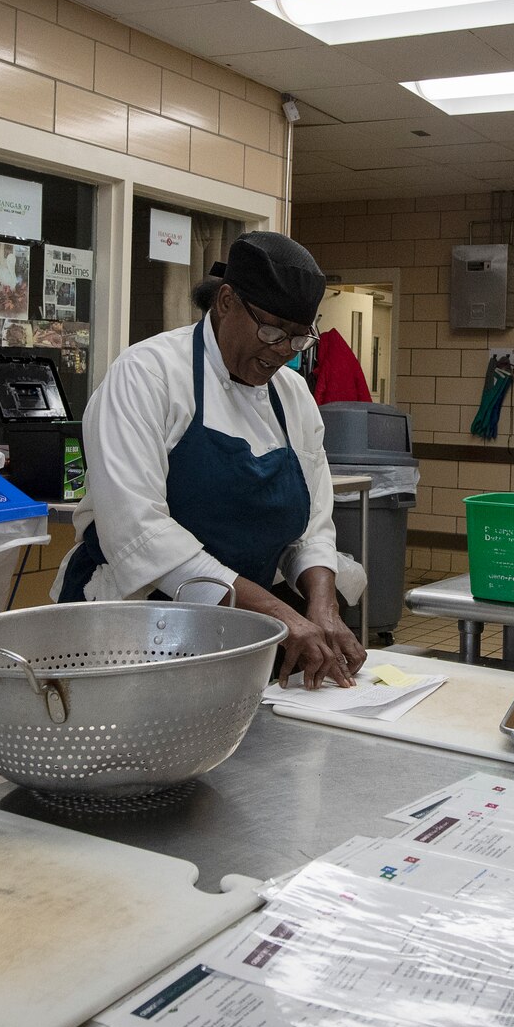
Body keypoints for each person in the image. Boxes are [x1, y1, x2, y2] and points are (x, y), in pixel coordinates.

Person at [56, 231, 366, 688]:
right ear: (225, 302)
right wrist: (279, 615)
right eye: (272, 331)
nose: (283, 351)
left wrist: (323, 606)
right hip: (135, 627)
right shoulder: (148, 375)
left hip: (243, 631)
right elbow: (141, 535)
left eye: (299, 339)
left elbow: (312, 526)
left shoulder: (293, 395)